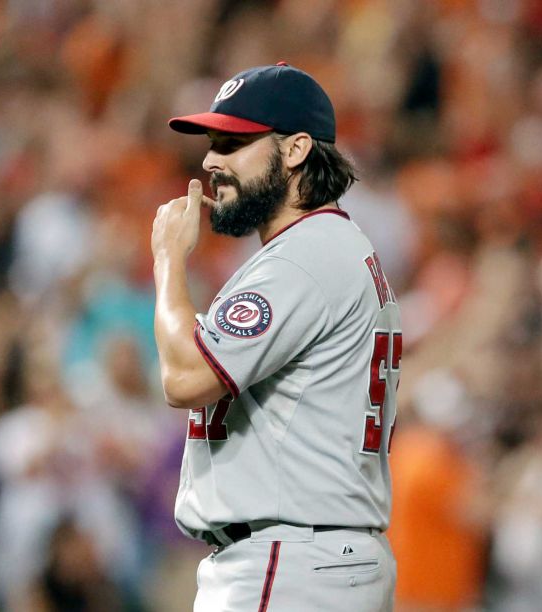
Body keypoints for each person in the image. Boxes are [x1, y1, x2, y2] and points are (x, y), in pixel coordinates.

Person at [151, 62, 401, 611]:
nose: (211, 160)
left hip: (287, 563)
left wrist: (169, 261)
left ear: (295, 151)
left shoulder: (306, 257)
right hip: (314, 558)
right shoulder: (330, 249)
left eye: (234, 141)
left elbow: (186, 377)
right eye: (212, 142)